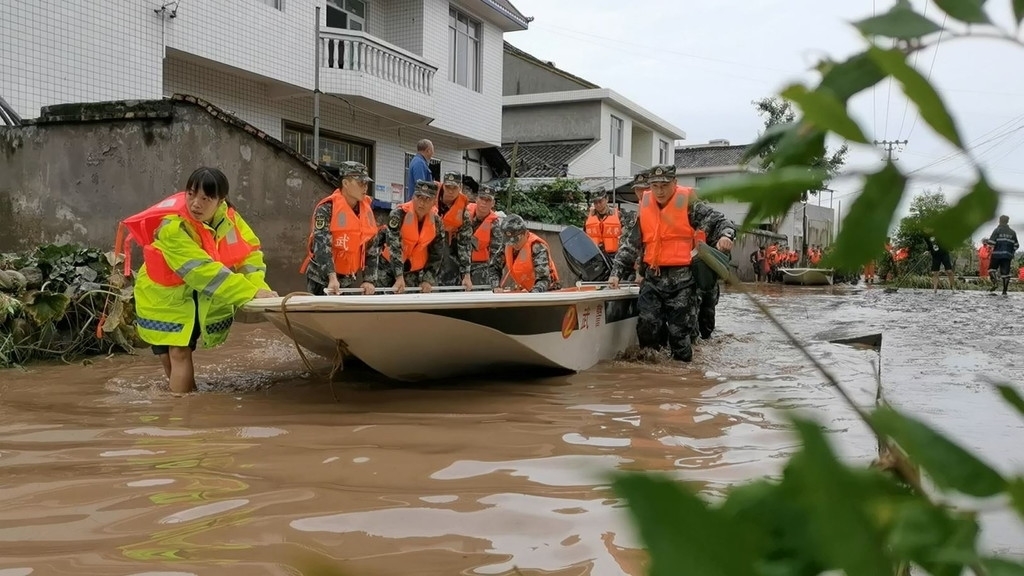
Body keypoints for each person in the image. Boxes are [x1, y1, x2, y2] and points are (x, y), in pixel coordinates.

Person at [124, 167, 278, 394]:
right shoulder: (173, 227)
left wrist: (259, 287)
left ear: (220, 201)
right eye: (191, 194)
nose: (196, 203)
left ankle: (182, 410)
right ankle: (183, 412)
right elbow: (202, 272)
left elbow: (249, 255)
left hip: (191, 297)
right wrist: (250, 292)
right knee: (170, 355)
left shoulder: (230, 219)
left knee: (179, 353)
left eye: (206, 198)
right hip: (160, 297)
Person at [608, 164, 736, 362]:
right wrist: (616, 272)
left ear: (675, 183)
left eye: (664, 185)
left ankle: (682, 382)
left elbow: (720, 221)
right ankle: (651, 382)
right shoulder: (645, 206)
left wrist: (725, 236)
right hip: (653, 279)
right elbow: (630, 245)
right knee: (647, 329)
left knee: (680, 338)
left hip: (682, 283)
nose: (659, 191)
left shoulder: (689, 204)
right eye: (655, 186)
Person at [299, 161, 377, 295]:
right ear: (345, 183)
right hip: (322, 279)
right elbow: (322, 245)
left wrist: (369, 280)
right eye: (360, 183)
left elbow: (371, 247)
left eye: (366, 183)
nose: (365, 188)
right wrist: (331, 276)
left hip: (347, 279)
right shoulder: (326, 209)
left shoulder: (365, 211)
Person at [365, 180, 446, 293]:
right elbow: (394, 246)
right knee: (380, 300)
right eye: (419, 197)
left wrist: (428, 279)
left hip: (413, 271)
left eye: (427, 199)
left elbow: (437, 254)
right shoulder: (399, 214)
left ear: (434, 202)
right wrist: (398, 276)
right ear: (413, 197)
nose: (422, 203)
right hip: (388, 266)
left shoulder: (437, 222)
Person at [487, 214, 561, 293]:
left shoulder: (537, 247)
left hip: (547, 292)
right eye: (510, 242)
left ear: (526, 233)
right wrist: (496, 286)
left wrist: (533, 293)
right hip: (527, 290)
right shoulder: (507, 245)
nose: (514, 244)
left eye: (517, 240)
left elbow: (544, 279)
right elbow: (494, 267)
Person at [436, 171, 474, 290]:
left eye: (454, 188)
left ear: (460, 188)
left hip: (448, 247)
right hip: (426, 246)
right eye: (448, 187)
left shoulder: (464, 214)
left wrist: (466, 274)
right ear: (443, 186)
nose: (451, 191)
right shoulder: (428, 199)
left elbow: (465, 244)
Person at [467, 185, 502, 285]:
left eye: (488, 200)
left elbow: (496, 255)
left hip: (480, 265)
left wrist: (495, 280)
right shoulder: (465, 214)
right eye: (482, 198)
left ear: (493, 203)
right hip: (459, 260)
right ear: (476, 199)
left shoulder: (494, 225)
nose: (484, 202)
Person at [584, 186, 622, 261]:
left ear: (607, 199)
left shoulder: (619, 215)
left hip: (614, 257)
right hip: (595, 258)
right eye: (595, 202)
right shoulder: (588, 217)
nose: (598, 205)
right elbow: (584, 236)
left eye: (600, 201)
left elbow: (626, 237)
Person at [987, 215, 1019, 295]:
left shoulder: (997, 230)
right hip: (1007, 255)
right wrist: (1012, 252)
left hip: (997, 254)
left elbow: (992, 243)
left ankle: (995, 283)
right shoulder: (1012, 232)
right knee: (1005, 273)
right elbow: (1016, 245)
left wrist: (987, 241)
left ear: (1000, 221)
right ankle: (1004, 291)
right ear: (1008, 221)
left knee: (991, 269)